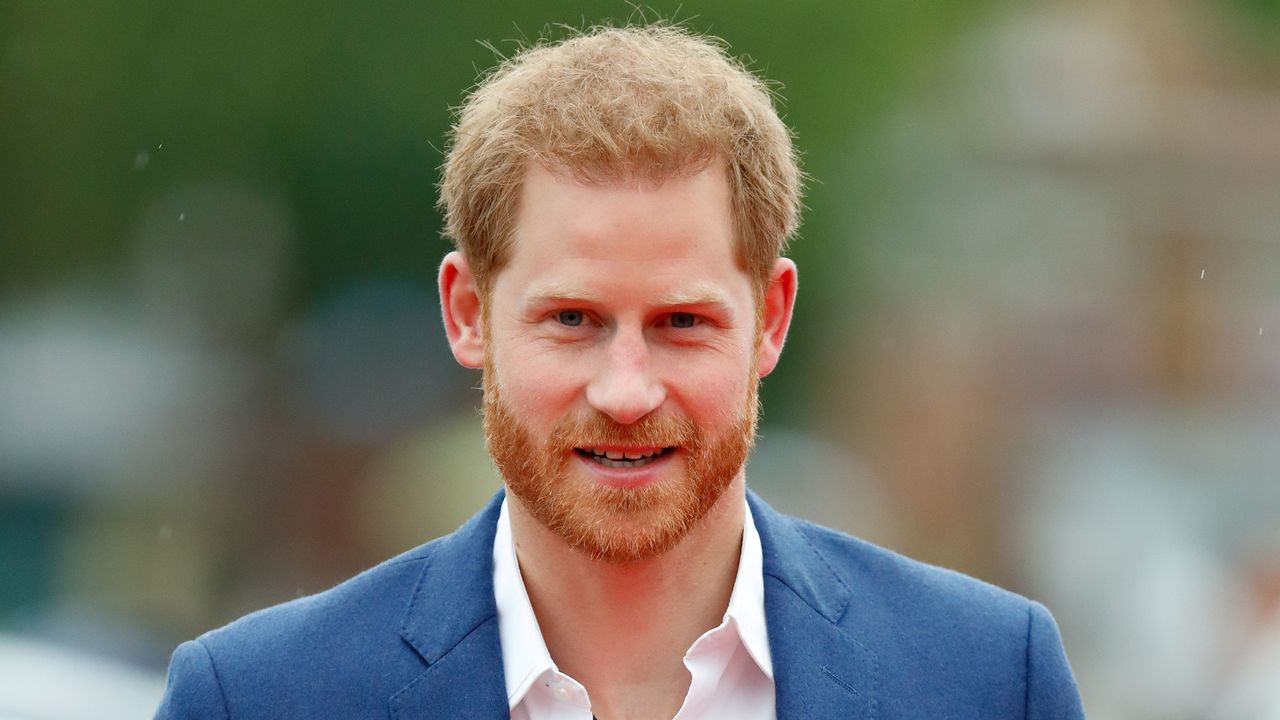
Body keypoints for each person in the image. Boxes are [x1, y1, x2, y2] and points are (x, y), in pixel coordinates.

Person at [155, 24, 1085, 719]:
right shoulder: (257, 701)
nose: (628, 391)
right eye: (572, 321)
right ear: (468, 314)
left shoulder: (990, 680)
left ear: (772, 321)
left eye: (683, 322)